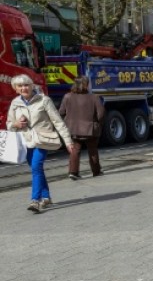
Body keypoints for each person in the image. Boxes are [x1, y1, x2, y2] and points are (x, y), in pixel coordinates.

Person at [6, 75, 77, 213]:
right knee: (36, 169)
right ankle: (46, 197)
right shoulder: (15, 103)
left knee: (36, 167)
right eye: (20, 86)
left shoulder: (44, 100)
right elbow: (9, 125)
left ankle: (35, 200)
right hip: (25, 141)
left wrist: (68, 141)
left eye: (26, 85)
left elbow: (58, 121)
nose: (24, 88)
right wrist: (16, 123)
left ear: (32, 86)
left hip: (43, 140)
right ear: (16, 89)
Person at [58, 76, 106, 180]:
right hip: (91, 129)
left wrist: (67, 123)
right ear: (87, 85)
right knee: (92, 150)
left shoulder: (67, 96)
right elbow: (101, 114)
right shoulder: (94, 97)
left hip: (73, 129)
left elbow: (61, 112)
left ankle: (73, 172)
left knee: (75, 150)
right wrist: (98, 124)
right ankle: (96, 171)